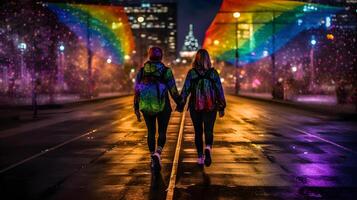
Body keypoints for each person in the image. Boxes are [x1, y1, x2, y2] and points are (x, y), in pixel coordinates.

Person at [134, 47, 181, 172]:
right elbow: (173, 90)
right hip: (163, 105)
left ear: (149, 56)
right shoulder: (166, 71)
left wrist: (136, 108)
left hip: (146, 105)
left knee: (150, 132)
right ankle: (158, 153)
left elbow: (137, 90)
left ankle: (152, 157)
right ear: (161, 57)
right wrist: (180, 103)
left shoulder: (142, 71)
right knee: (162, 132)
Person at [179, 49, 226, 167]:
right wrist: (221, 106)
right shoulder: (213, 73)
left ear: (196, 59)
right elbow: (219, 90)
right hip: (210, 106)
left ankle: (200, 156)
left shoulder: (192, 73)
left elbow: (185, 90)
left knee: (198, 132)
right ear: (208, 59)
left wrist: (181, 103)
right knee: (209, 130)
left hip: (196, 106)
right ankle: (208, 148)